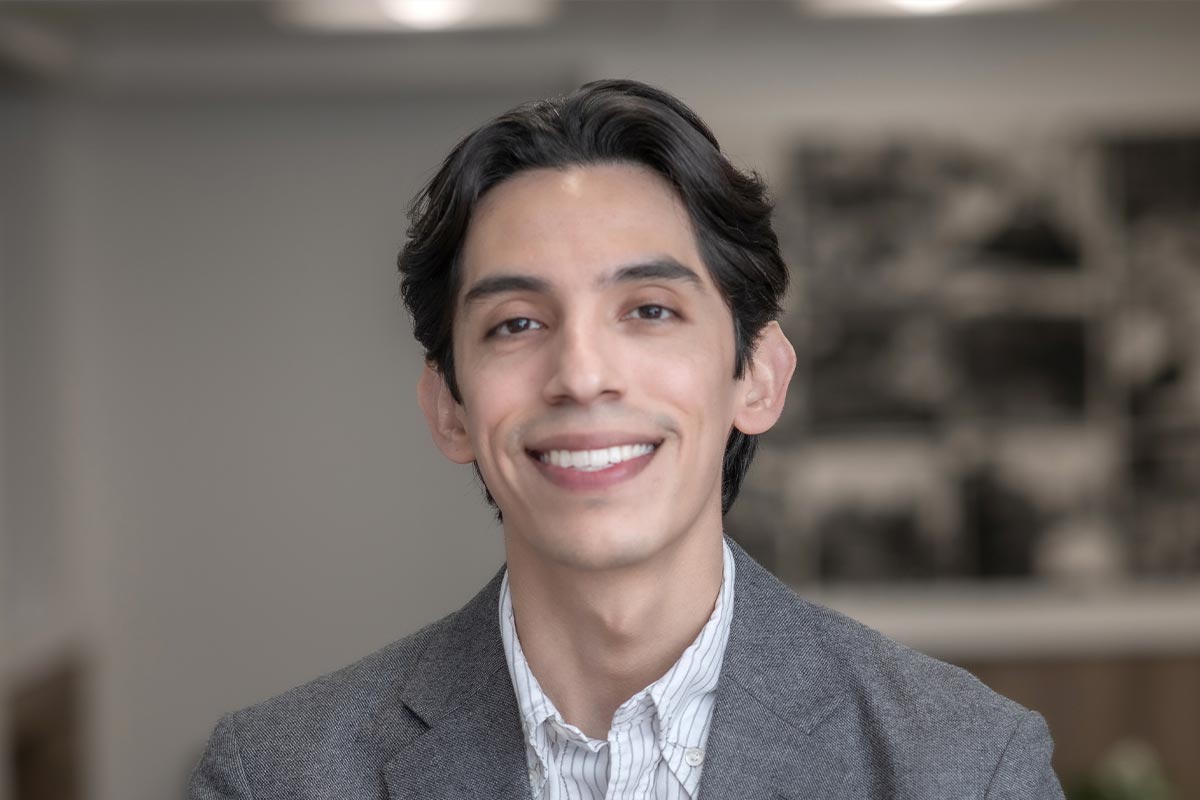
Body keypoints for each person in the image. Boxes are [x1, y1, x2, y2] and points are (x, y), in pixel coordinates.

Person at [189, 79, 1064, 800]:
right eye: (517, 323)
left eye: (649, 311)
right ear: (448, 408)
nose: (581, 373)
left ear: (757, 376)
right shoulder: (277, 777)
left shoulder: (964, 767)